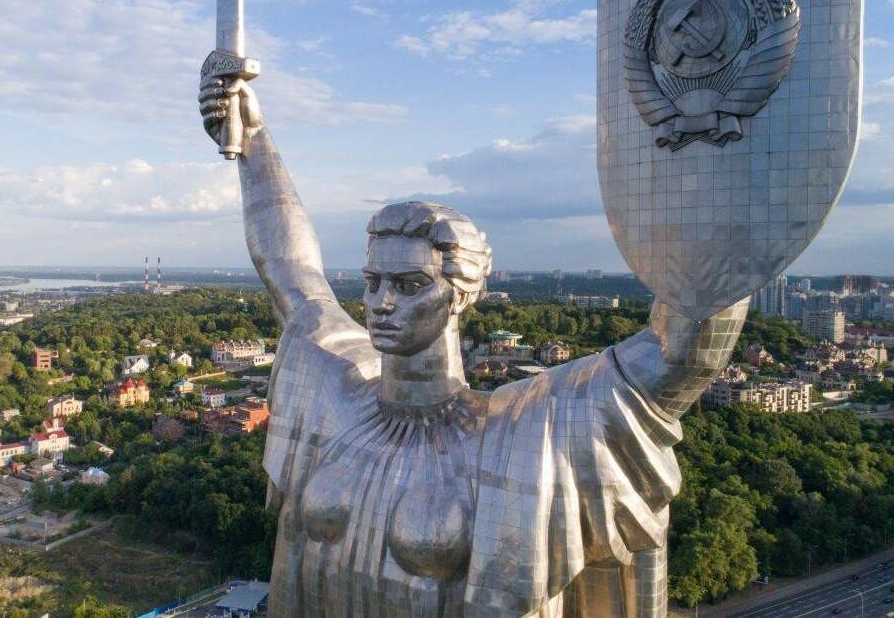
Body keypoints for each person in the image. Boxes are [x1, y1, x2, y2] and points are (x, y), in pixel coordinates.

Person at [199, 75, 748, 617]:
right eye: (372, 282)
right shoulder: (336, 393)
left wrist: (707, 141)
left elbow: (681, 353)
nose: (381, 303)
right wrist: (252, 139)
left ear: (460, 295)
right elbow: (291, 271)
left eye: (409, 285)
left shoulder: (528, 433)